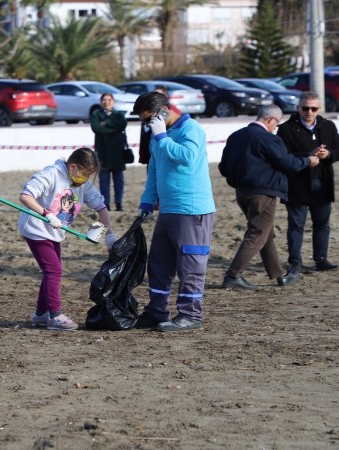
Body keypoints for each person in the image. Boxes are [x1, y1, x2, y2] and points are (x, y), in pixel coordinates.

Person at [132, 91, 215, 332]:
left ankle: (191, 314)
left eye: (148, 119)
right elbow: (154, 171)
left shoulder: (191, 130)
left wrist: (162, 137)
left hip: (192, 209)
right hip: (168, 209)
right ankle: (157, 311)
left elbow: (187, 157)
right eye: (144, 121)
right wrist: (147, 202)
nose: (146, 125)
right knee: (159, 262)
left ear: (163, 111)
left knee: (190, 263)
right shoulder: (157, 137)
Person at [219, 104, 319, 290]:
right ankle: (232, 275)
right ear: (271, 119)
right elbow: (287, 163)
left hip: (242, 192)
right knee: (257, 234)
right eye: (277, 124)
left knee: (265, 232)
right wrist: (308, 161)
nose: (276, 127)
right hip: (263, 193)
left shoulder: (236, 136)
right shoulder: (267, 138)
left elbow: (223, 167)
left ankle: (279, 274)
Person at [19, 147, 115, 330]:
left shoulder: (82, 183)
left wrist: (109, 235)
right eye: (84, 174)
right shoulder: (51, 174)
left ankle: (40, 314)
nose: (85, 179)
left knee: (51, 271)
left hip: (55, 231)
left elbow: (101, 207)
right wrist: (46, 214)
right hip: (36, 228)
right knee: (54, 270)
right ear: (73, 167)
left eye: (89, 176)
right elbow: (25, 196)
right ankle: (55, 316)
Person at [277, 92, 339, 275]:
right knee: (296, 225)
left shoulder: (328, 126)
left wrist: (328, 154)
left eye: (313, 108)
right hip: (297, 184)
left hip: (322, 182)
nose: (309, 112)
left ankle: (321, 259)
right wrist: (308, 155)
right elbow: (282, 157)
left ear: (319, 109)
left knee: (322, 224)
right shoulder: (286, 129)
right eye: (305, 108)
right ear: (298, 108)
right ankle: (295, 261)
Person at [90, 93, 128, 211]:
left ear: (113, 101)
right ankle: (106, 204)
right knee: (104, 181)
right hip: (103, 152)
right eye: (104, 100)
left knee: (119, 180)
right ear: (101, 101)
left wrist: (106, 123)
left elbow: (122, 125)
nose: (107, 102)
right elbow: (96, 128)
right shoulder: (96, 114)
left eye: (109, 100)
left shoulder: (119, 115)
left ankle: (118, 203)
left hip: (118, 152)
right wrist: (114, 129)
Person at [138, 85, 169, 168]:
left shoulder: (171, 116)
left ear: (165, 97)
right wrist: (143, 156)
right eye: (153, 95)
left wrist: (161, 137)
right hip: (151, 157)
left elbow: (187, 156)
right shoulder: (148, 114)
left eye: (159, 95)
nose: (154, 98)